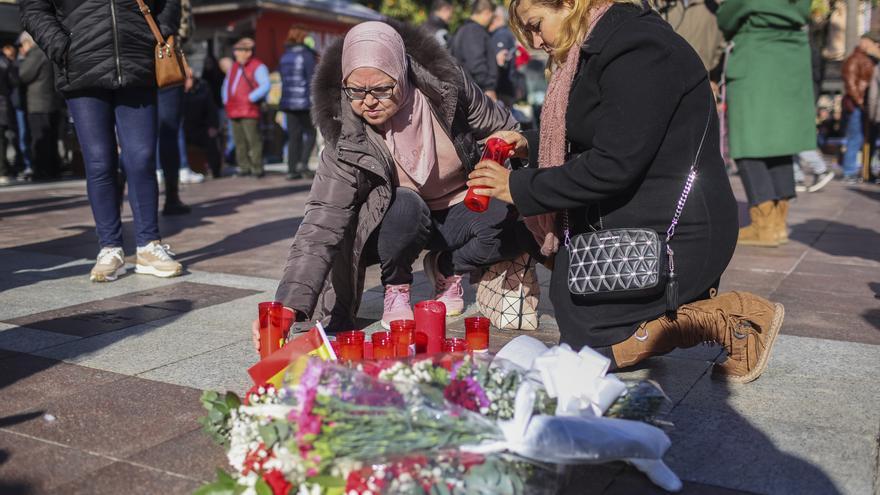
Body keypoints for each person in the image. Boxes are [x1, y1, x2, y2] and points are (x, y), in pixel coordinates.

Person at [467, 0, 784, 383]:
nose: (535, 41)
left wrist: (517, 186)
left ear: (569, 4)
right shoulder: (599, 44)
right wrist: (530, 144)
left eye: (536, 25)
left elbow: (614, 164)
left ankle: (729, 317)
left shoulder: (638, 47)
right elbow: (601, 133)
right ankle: (675, 308)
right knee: (575, 316)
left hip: (678, 231)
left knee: (589, 350)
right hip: (639, 213)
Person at [250, 21, 526, 351]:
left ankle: (447, 266)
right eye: (356, 91)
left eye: (382, 89)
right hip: (397, 223)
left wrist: (512, 145)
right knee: (405, 203)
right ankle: (396, 286)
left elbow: (504, 127)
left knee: (517, 227)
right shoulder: (345, 136)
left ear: (401, 73)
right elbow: (320, 224)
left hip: (459, 205)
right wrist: (288, 306)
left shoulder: (447, 89)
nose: (369, 102)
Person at [20, 0, 184, 282]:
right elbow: (33, 7)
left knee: (142, 158)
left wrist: (154, 31)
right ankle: (110, 248)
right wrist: (59, 44)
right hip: (81, 66)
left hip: (137, 63)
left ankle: (148, 245)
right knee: (99, 161)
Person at [717, 0, 815, 248]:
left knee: (747, 140)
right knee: (780, 142)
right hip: (792, 55)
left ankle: (764, 226)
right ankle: (778, 224)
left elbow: (726, 17)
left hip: (756, 54)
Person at [222, 37, 270, 177]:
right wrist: (226, 99)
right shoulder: (234, 67)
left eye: (239, 50)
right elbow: (226, 85)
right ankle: (243, 167)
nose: (236, 53)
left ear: (248, 52)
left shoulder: (258, 66)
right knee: (238, 140)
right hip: (233, 107)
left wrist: (250, 98)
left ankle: (257, 168)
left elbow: (265, 85)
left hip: (249, 108)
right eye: (236, 50)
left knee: (253, 139)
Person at [17, 32, 60, 182]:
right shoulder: (48, 51)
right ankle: (53, 170)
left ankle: (42, 171)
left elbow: (23, 75)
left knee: (40, 138)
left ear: (28, 42)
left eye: (23, 44)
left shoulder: (36, 53)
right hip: (51, 102)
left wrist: (22, 60)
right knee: (51, 139)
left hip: (38, 104)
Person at [278, 25, 317, 180]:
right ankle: (303, 164)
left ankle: (291, 169)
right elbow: (312, 79)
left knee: (294, 135)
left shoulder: (285, 56)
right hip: (304, 102)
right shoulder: (306, 55)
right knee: (311, 133)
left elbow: (282, 78)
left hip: (288, 101)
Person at [841, 33, 880, 184]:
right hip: (858, 106)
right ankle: (849, 171)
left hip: (868, 106)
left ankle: (867, 171)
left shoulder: (872, 59)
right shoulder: (855, 59)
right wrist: (860, 102)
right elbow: (850, 84)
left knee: (868, 140)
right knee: (855, 138)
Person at [656, 0, 725, 74]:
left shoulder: (719, 5)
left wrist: (714, 75)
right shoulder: (662, 4)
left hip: (701, 76)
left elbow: (726, 41)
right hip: (664, 73)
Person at [450, 0, 499, 100]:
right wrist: (488, 87)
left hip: (473, 92)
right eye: (492, 16)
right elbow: (476, 63)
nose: (492, 20)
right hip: (478, 93)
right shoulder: (473, 31)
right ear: (486, 12)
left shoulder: (466, 29)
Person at [183, 77, 222, 178]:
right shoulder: (178, 94)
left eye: (190, 79)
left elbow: (212, 111)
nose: (188, 81)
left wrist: (213, 126)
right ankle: (181, 169)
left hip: (201, 128)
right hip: (185, 129)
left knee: (212, 140)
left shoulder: (203, 91)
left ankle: (215, 171)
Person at [0, 44, 14, 184]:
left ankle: (3, 170)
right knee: (1, 139)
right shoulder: (4, 62)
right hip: (3, 103)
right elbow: (12, 83)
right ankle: (3, 170)